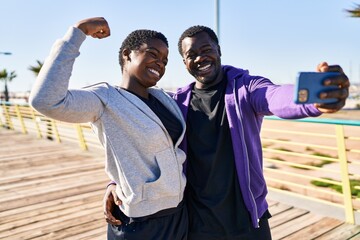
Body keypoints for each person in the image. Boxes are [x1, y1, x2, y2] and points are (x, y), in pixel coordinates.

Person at [104, 25, 350, 240]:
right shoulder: (176, 104)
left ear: (219, 50)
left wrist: (313, 102)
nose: (200, 57)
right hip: (197, 224)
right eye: (192, 54)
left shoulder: (246, 88)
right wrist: (116, 182)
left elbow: (274, 97)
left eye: (206, 49)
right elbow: (143, 145)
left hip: (248, 219)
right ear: (184, 63)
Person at [29, 17, 189, 240]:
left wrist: (113, 183)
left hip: (178, 214)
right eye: (153, 54)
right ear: (127, 54)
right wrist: (78, 33)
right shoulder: (104, 100)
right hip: (140, 223)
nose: (160, 63)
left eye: (164, 59)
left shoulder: (164, 99)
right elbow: (46, 101)